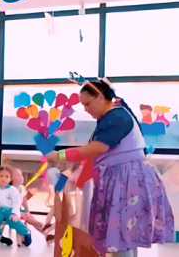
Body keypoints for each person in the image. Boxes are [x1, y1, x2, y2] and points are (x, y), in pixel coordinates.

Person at [44, 80, 174, 256]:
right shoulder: (114, 115)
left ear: (100, 97)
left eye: (88, 104)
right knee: (125, 235)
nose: (86, 109)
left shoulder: (117, 116)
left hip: (128, 179)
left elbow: (97, 148)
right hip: (123, 177)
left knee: (121, 236)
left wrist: (60, 154)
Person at [0, 165, 31, 246]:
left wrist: (14, 213)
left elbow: (16, 203)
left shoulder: (13, 190)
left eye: (6, 176)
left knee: (14, 222)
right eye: (1, 176)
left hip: (11, 210)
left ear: (10, 179)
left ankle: (26, 232)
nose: (3, 178)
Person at [9, 167, 54, 241]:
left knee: (29, 216)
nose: (21, 177)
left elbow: (24, 200)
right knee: (28, 218)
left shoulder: (21, 188)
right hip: (11, 212)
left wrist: (27, 210)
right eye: (18, 175)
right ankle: (43, 226)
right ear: (10, 178)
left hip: (19, 211)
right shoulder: (10, 189)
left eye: (22, 175)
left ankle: (46, 234)